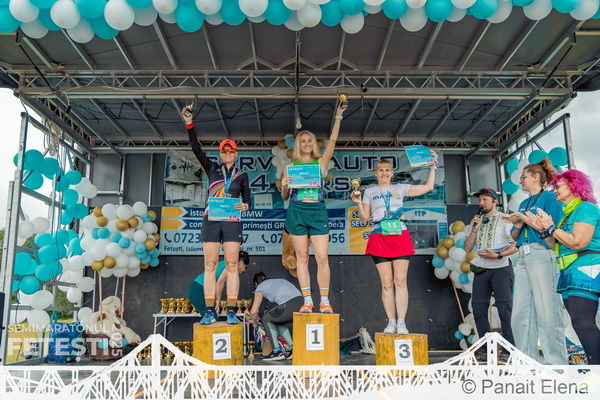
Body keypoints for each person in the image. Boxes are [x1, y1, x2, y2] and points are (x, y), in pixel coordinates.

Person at [350, 157, 437, 334]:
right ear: (376, 173)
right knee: (387, 282)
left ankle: (402, 323)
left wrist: (433, 168)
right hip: (379, 236)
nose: (384, 173)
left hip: (399, 235)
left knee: (400, 280)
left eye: (387, 170)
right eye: (381, 170)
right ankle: (391, 322)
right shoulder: (370, 191)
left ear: (392, 173)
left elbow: (428, 187)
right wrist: (358, 203)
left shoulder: (401, 188)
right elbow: (364, 218)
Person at [183, 108, 251, 325]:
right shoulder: (212, 168)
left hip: (231, 221)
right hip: (211, 220)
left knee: (231, 264)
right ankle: (210, 311)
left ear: (236, 154)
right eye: (224, 150)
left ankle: (230, 311)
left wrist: (245, 205)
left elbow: (248, 199)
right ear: (220, 154)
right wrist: (189, 123)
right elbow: (195, 148)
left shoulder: (242, 175)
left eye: (231, 151)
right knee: (210, 265)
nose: (228, 153)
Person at [527, 170, 600, 365]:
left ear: (574, 187)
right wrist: (543, 230)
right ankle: (594, 368)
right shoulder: (566, 215)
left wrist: (551, 228)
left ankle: (596, 370)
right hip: (569, 270)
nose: (555, 190)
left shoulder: (586, 208)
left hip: (586, 268)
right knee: (579, 322)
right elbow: (555, 246)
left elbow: (578, 242)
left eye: (558, 186)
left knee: (583, 322)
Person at [280, 104, 346, 313]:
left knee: (322, 257)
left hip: (317, 211)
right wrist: (284, 186)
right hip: (297, 211)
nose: (307, 143)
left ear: (314, 144)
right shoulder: (290, 167)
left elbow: (332, 141)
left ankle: (324, 301)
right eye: (303, 141)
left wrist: (338, 116)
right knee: (302, 257)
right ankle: (307, 300)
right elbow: (285, 197)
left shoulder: (320, 162)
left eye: (310, 140)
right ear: (298, 145)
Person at [502, 159, 568, 364]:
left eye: (523, 177)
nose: (520, 181)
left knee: (548, 311)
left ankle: (557, 365)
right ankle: (525, 363)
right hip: (523, 254)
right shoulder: (523, 203)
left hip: (542, 253)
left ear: (536, 177)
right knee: (520, 313)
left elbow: (553, 229)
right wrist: (517, 224)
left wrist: (527, 220)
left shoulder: (550, 198)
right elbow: (515, 237)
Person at [464, 188, 518, 359]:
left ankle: (509, 351)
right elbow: (467, 248)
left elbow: (516, 244)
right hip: (481, 268)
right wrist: (474, 229)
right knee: (478, 309)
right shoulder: (476, 221)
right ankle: (488, 351)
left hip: (501, 267)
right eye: (480, 200)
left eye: (485, 199)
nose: (481, 203)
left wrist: (499, 254)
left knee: (504, 309)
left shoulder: (504, 219)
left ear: (495, 201)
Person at [249, 272, 303, 360]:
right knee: (277, 320)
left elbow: (254, 311)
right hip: (302, 303)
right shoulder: (279, 281)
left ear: (256, 284)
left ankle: (276, 351)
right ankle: (293, 348)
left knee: (265, 319)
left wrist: (255, 323)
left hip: (289, 304)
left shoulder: (260, 287)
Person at [186, 251, 250, 315]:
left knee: (211, 317)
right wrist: (217, 301)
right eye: (245, 267)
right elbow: (220, 282)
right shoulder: (230, 267)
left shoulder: (225, 264)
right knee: (212, 317)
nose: (244, 270)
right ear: (241, 263)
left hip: (198, 289)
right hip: (199, 289)